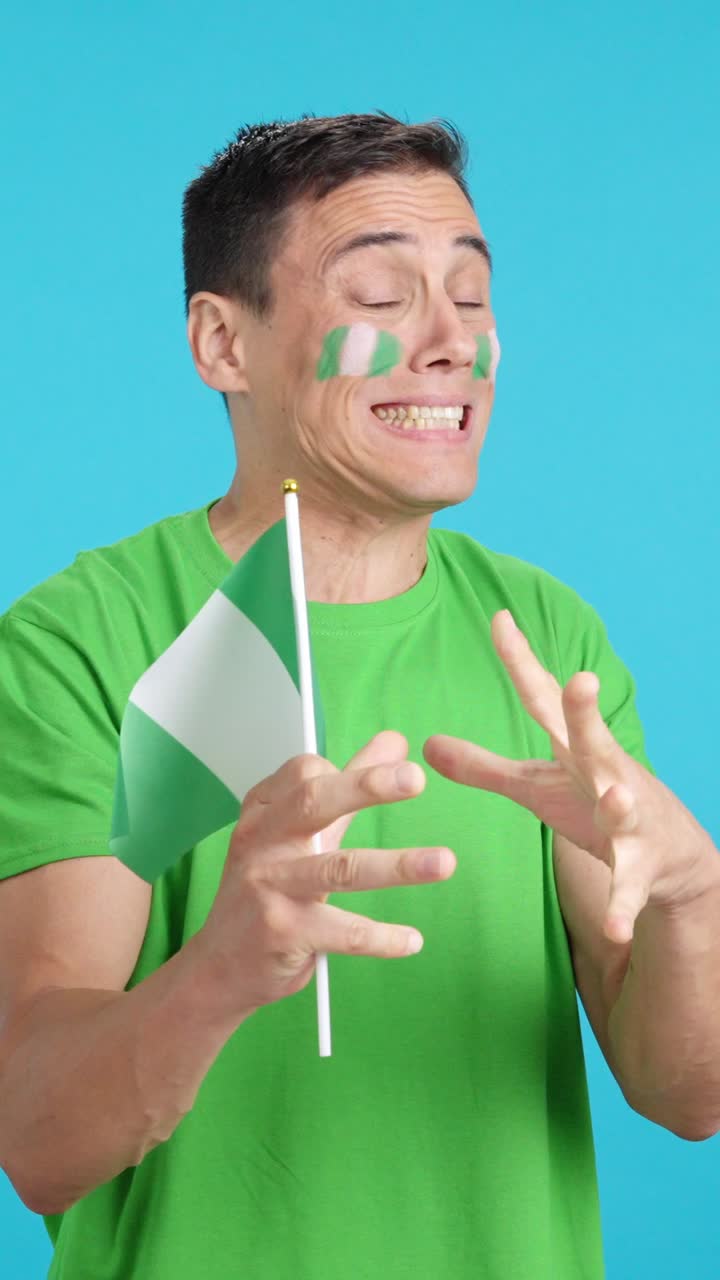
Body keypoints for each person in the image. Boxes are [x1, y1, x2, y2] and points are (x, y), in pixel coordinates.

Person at [0, 113, 717, 1280]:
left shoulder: (546, 637)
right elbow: (36, 1140)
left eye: (472, 296)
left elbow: (688, 1093)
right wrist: (219, 973)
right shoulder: (80, 642)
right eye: (382, 295)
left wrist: (695, 894)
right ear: (223, 343)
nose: (452, 342)